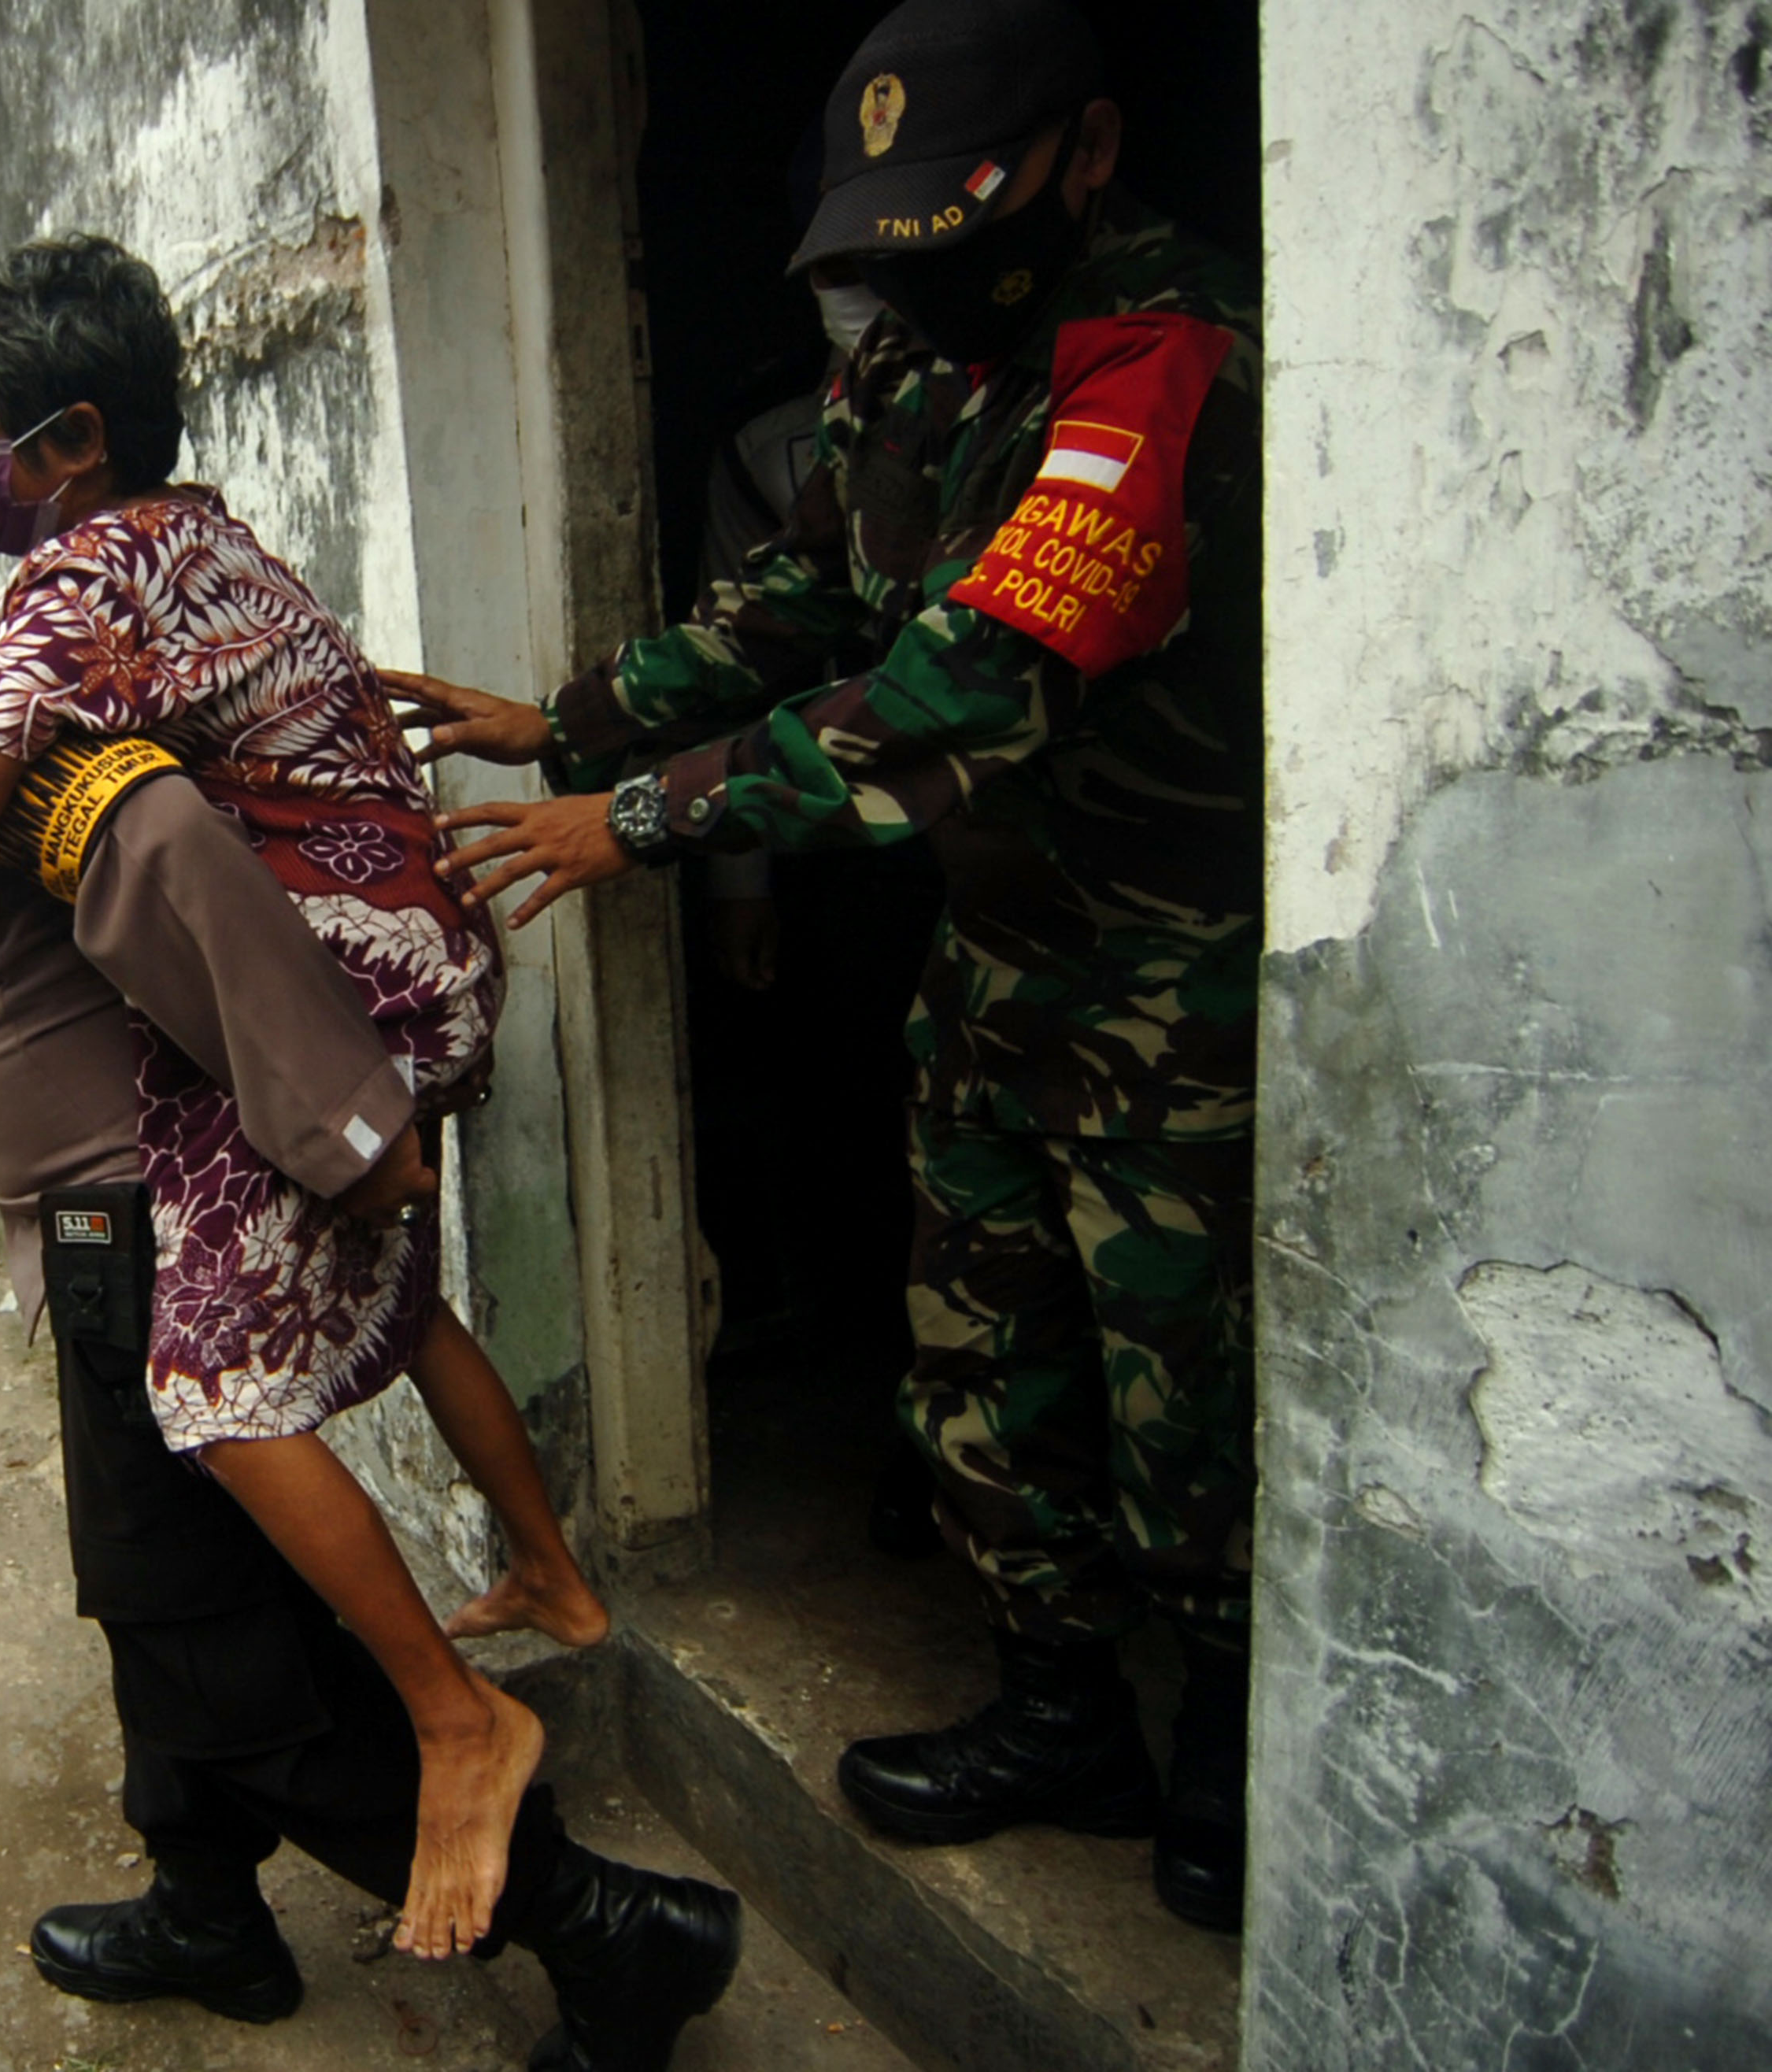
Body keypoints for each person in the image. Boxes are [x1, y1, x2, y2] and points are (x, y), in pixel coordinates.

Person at [0, 454, 742, 2072]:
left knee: (199, 1616)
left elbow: (162, 841)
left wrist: (335, 1117)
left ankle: (597, 1921)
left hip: (136, 1213)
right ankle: (201, 1894)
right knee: (151, 1586)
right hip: (92, 1216)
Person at [391, 0, 1263, 1933]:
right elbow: (792, 596)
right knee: (980, 1347)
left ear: (1087, 155)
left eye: (947, 223)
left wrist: (634, 818)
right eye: (879, 241)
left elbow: (966, 686)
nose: (907, 270)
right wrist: (573, 720)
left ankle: (1220, 1730)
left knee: (1180, 1378)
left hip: (1169, 977)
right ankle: (1060, 1712)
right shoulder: (918, 371)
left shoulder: (1156, 355)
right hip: (1001, 951)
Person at [0, 235, 605, 1962]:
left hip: (346, 991)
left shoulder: (86, 575)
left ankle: (459, 1721)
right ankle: (550, 1569)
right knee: (389, 1298)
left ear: (68, 440)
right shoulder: (206, 534)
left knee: (213, 1386)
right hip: (420, 951)